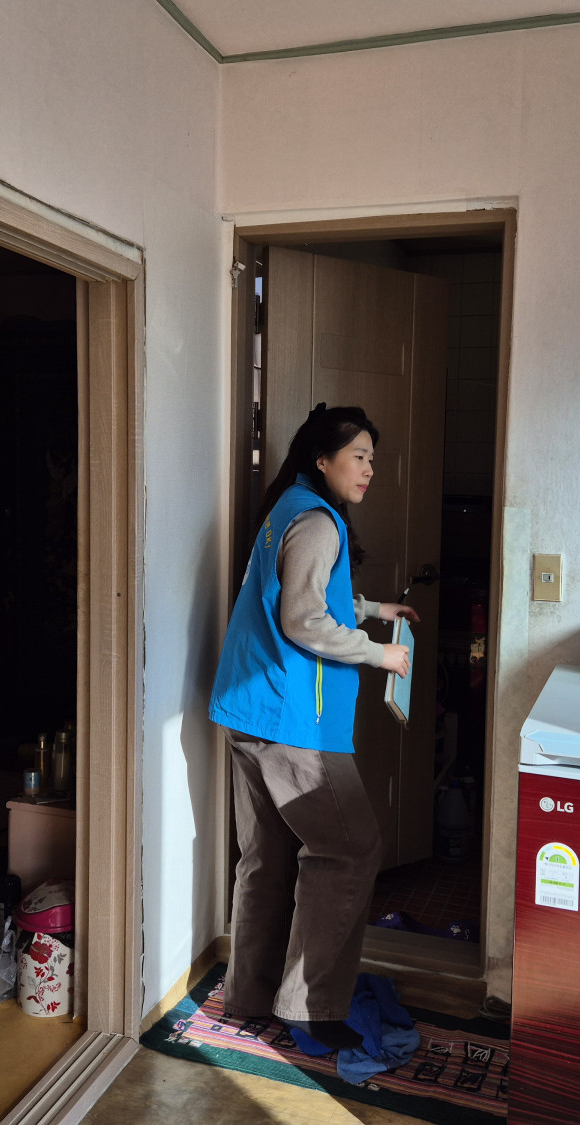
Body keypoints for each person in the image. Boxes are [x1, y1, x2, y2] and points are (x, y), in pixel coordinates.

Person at [208, 403, 418, 1050]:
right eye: (359, 456)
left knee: (266, 858)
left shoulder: (291, 507)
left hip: (250, 707)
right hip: (291, 716)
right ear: (323, 460)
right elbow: (303, 618)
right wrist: (378, 652)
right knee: (350, 848)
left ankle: (249, 994)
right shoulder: (319, 521)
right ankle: (311, 1007)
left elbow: (302, 592)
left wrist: (372, 607)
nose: (369, 469)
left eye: (373, 458)